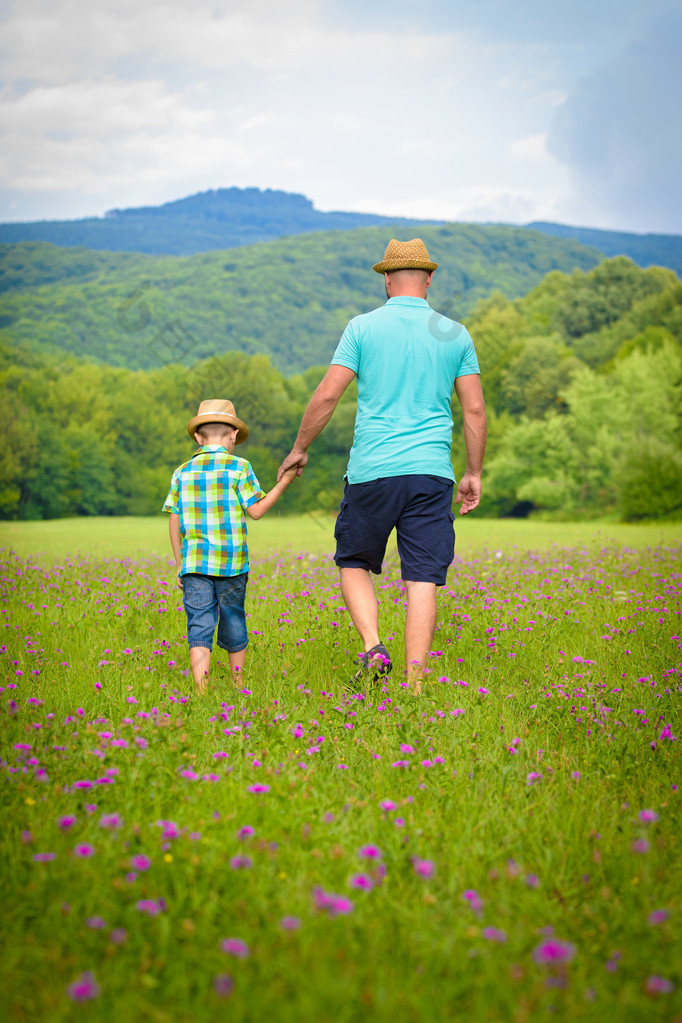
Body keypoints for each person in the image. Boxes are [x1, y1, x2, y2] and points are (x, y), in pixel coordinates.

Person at [277, 238, 487, 691]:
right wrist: (474, 472)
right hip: (431, 473)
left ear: (387, 280)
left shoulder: (361, 328)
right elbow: (473, 411)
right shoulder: (456, 334)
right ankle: (414, 684)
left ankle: (374, 647)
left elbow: (329, 393)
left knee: (353, 560)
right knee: (423, 576)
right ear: (428, 280)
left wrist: (300, 447)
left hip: (372, 470)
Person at [164, 398, 296, 692]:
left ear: (198, 436)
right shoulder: (240, 467)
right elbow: (257, 510)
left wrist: (179, 563)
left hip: (194, 564)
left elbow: (174, 519)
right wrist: (284, 482)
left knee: (199, 622)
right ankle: (238, 685)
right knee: (233, 615)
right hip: (232, 563)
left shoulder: (181, 472)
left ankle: (201, 688)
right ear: (234, 435)